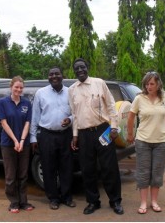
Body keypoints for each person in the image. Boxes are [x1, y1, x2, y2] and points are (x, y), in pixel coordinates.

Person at [68, 58, 124, 215]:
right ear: (74, 71)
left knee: (109, 167)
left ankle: (115, 200)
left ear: (87, 67)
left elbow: (112, 106)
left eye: (82, 67)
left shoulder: (99, 83)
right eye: (77, 68)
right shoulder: (71, 90)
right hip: (84, 134)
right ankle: (93, 202)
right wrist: (75, 135)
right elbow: (74, 114)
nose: (80, 70)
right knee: (88, 169)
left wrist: (114, 127)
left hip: (103, 131)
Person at [126, 72, 165, 214]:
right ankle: (143, 203)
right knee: (143, 172)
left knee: (157, 173)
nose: (149, 86)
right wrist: (130, 134)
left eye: (152, 83)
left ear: (158, 84)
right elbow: (130, 116)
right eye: (146, 84)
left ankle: (154, 202)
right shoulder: (139, 99)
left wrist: (164, 126)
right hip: (143, 141)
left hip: (162, 142)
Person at [30, 67, 75, 210]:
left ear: (63, 76)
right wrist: (33, 138)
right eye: (51, 74)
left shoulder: (70, 92)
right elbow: (35, 116)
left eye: (57, 74)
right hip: (46, 135)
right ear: (48, 77)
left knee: (66, 168)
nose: (54, 76)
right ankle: (53, 198)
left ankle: (67, 197)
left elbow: (76, 113)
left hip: (65, 135)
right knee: (49, 168)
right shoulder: (40, 93)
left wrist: (70, 119)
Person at [0, 76, 34, 213]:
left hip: (23, 144)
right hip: (8, 144)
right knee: (10, 175)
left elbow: (27, 123)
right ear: (11, 87)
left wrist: (22, 141)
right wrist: (15, 140)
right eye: (16, 87)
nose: (19, 90)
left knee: (23, 174)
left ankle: (23, 202)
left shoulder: (26, 103)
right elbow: (4, 123)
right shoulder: (3, 102)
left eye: (21, 87)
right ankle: (13, 202)